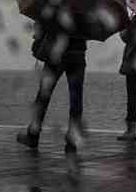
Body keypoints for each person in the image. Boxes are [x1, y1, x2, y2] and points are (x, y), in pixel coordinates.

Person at [17, 21, 87, 152]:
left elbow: (44, 26)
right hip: (77, 56)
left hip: (56, 55)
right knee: (76, 99)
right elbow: (90, 31)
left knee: (43, 96)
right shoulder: (87, 8)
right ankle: (72, 140)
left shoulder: (57, 3)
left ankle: (33, 135)